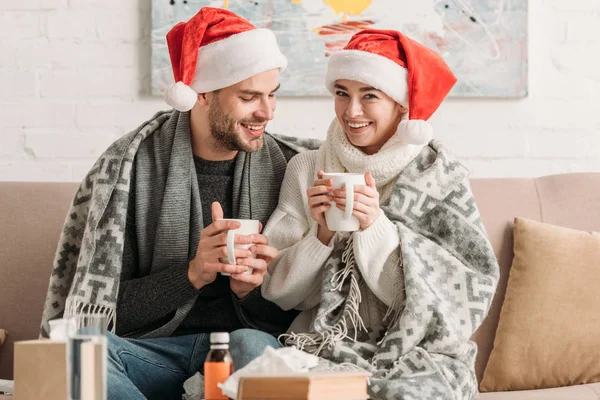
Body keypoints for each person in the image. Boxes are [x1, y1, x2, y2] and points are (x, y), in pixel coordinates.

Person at [39, 7, 317, 400]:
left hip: (247, 348)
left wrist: (249, 292)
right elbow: (106, 310)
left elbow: (299, 321)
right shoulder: (129, 168)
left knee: (257, 348)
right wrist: (192, 274)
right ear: (202, 94)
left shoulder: (290, 168)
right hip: (153, 351)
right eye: (249, 97)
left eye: (272, 94)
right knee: (75, 355)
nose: (267, 112)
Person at [262, 29, 500, 400]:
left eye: (369, 96)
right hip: (321, 342)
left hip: (415, 351)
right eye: (342, 93)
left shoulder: (436, 177)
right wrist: (321, 236)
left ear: (402, 105)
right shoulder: (307, 168)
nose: (351, 111)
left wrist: (374, 227)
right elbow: (279, 293)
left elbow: (437, 307)